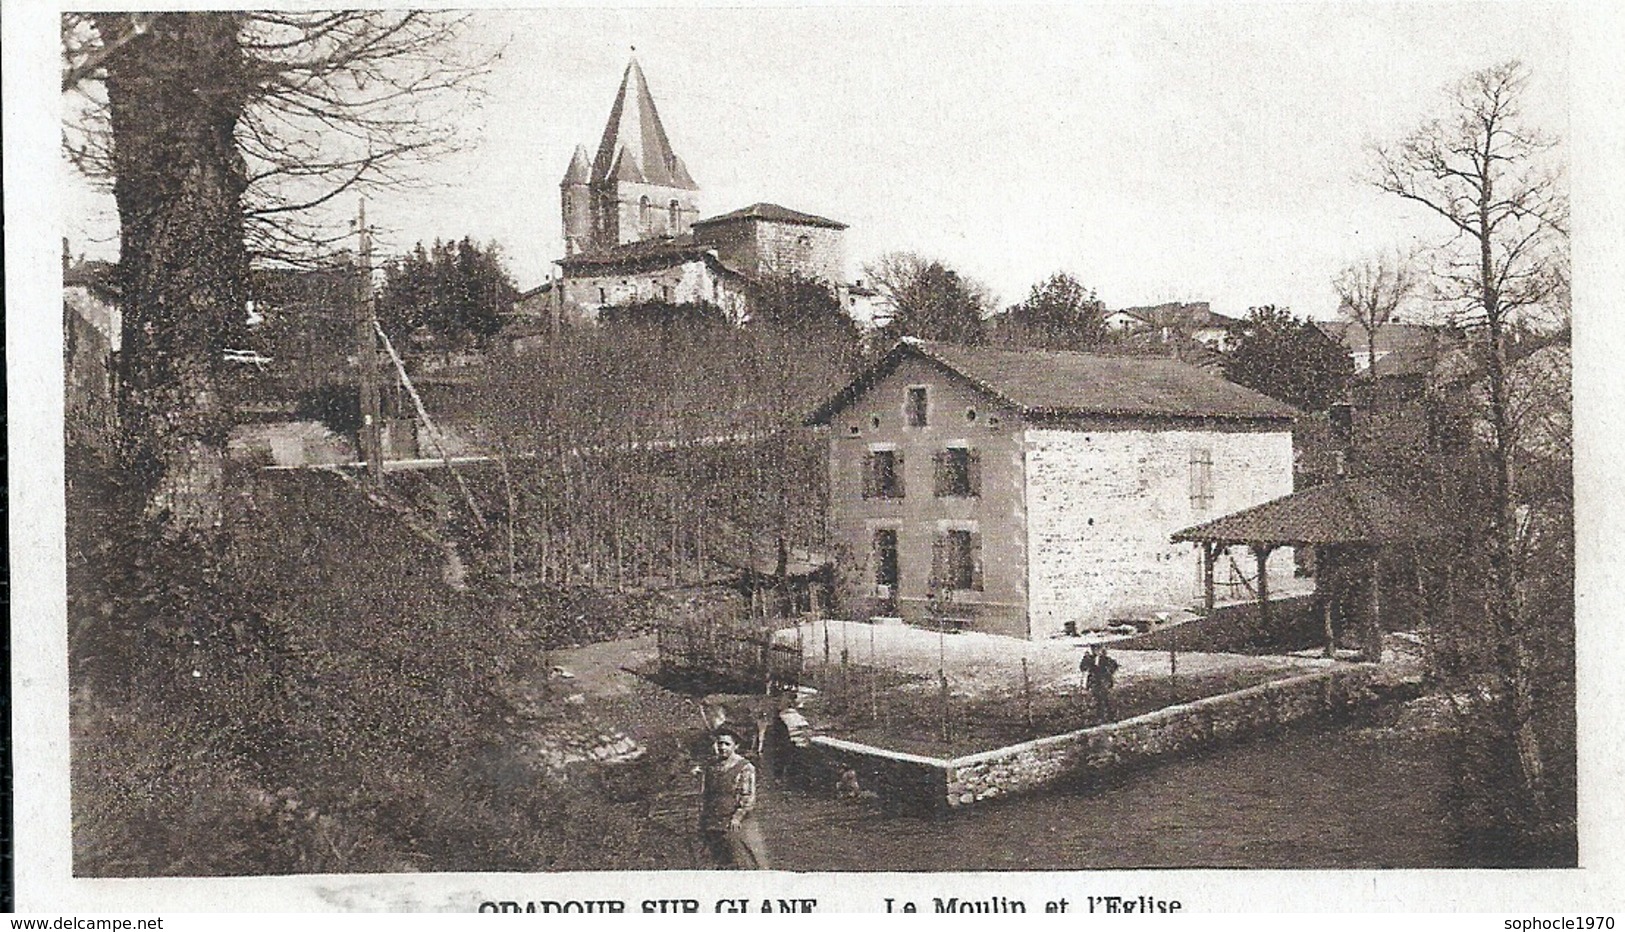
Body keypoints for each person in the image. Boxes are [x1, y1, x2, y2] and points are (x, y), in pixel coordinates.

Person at [697, 730, 770, 869]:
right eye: (720, 743)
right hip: (713, 820)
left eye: (727, 744)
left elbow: (748, 796)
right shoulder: (712, 766)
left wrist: (737, 817)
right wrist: (703, 818)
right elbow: (706, 794)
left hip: (735, 821)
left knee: (742, 859)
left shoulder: (745, 767)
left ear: (735, 746)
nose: (722, 747)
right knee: (715, 860)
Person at [1080, 643, 1120, 723]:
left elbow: (1114, 666)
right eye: (1094, 649)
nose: (1096, 651)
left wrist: (1109, 673)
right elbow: (1083, 668)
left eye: (1097, 649)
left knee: (1105, 699)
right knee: (1098, 699)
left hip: (1103, 682)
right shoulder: (1089, 659)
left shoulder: (1106, 659)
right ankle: (1102, 716)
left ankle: (1109, 716)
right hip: (1095, 682)